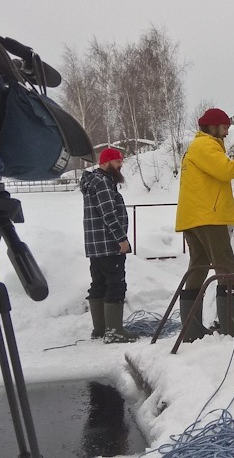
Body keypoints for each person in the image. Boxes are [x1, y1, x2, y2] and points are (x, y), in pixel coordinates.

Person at [175, 108, 234, 341]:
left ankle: (191, 329)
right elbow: (226, 171)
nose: (226, 132)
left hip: (195, 216)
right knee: (226, 265)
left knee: (199, 265)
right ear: (212, 127)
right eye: (224, 127)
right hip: (207, 216)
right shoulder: (205, 146)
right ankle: (231, 327)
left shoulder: (198, 147)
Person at [80, 147, 138, 343]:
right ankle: (114, 331)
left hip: (95, 245)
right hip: (108, 243)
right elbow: (109, 214)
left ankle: (101, 329)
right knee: (115, 284)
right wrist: (121, 239)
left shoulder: (93, 181)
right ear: (105, 163)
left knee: (98, 284)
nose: (120, 165)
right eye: (117, 162)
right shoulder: (103, 182)